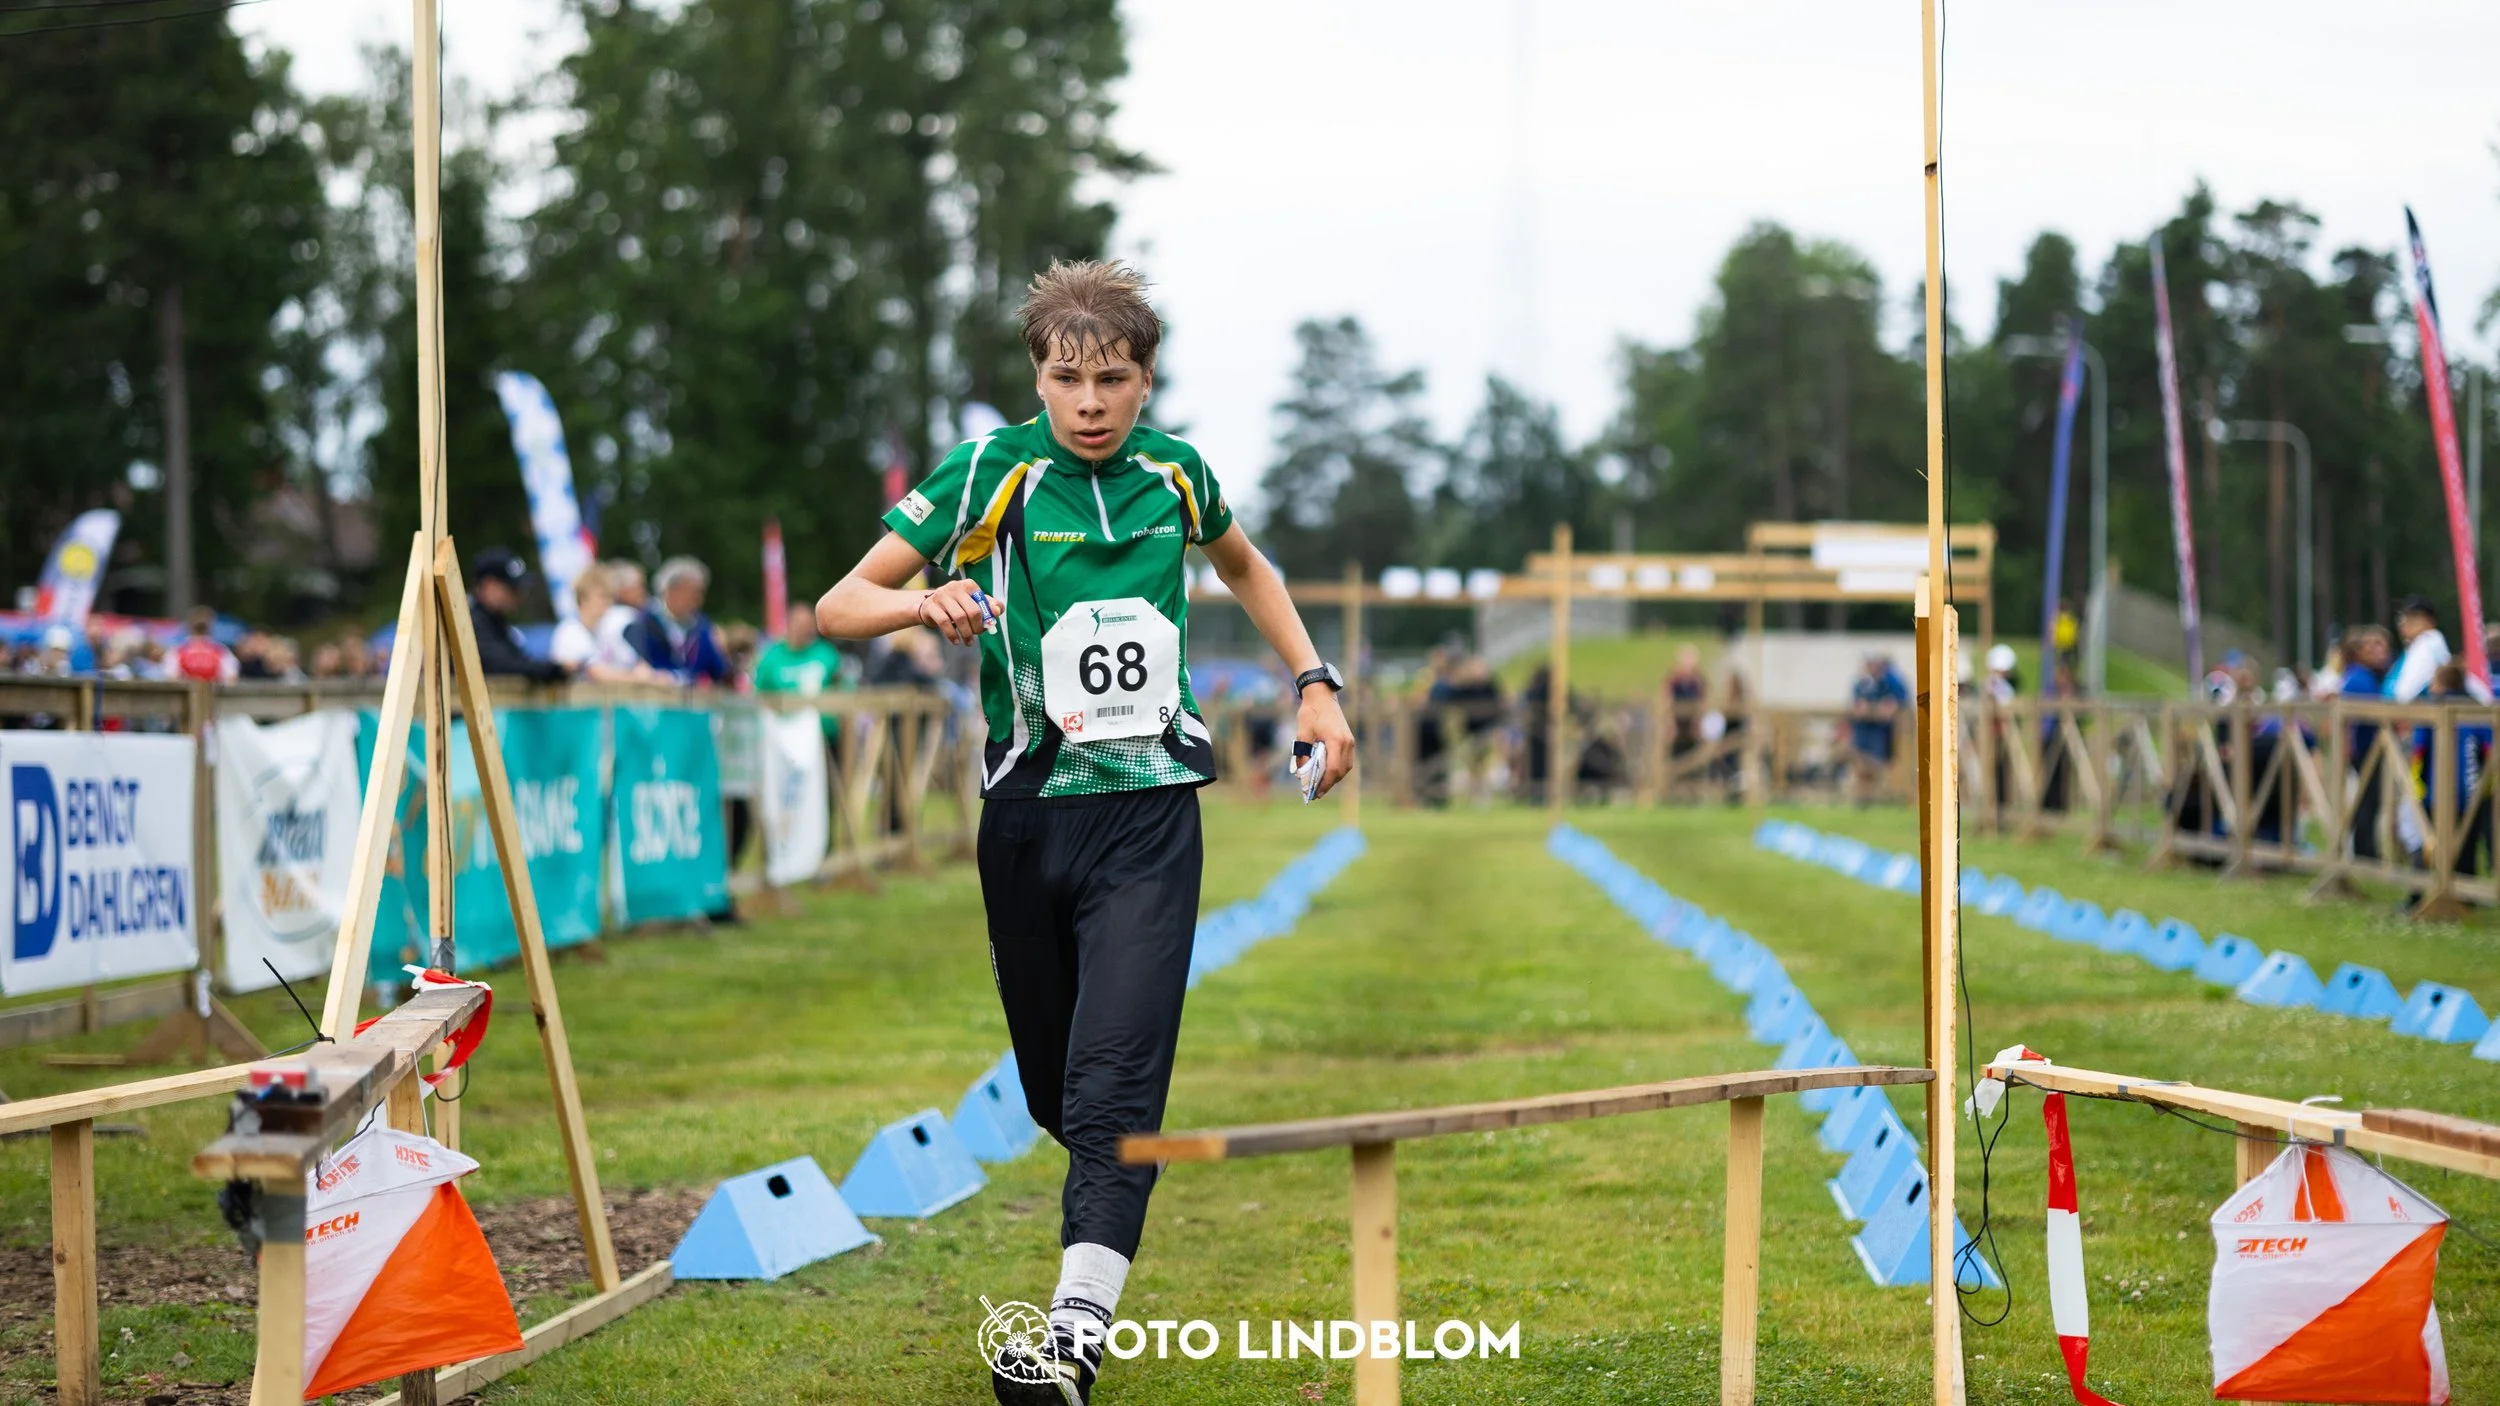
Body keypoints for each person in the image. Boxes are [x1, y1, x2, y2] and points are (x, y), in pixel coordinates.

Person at [814, 259, 1353, 1406]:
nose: (1092, 400)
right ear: (1039, 381)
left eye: (1113, 377)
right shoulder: (988, 474)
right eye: (1069, 379)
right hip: (1024, 819)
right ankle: (1088, 1227)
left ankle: (1068, 1342)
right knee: (1061, 1094)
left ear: (1147, 382)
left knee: (1114, 1092)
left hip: (1151, 812)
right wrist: (924, 601)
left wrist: (1314, 681)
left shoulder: (1178, 473)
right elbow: (838, 603)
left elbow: (1247, 566)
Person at [752, 601, 852, 742]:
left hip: (824, 734)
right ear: (789, 624)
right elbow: (759, 693)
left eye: (808, 624)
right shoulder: (771, 656)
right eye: (799, 624)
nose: (804, 629)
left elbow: (844, 685)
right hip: (785, 732)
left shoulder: (826, 653)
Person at [467, 548, 567, 682]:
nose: (520, 595)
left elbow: (518, 659)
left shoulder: (495, 622)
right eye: (512, 589)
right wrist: (556, 670)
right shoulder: (469, 621)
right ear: (489, 586)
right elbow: (503, 665)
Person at [628, 556, 732, 684]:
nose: (697, 599)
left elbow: (719, 670)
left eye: (700, 593)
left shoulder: (702, 627)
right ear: (669, 591)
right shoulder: (644, 622)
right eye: (691, 592)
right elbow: (637, 665)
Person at [2341, 626, 2393, 860]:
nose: (2378, 650)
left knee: (2370, 801)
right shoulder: (2358, 677)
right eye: (2371, 645)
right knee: (2366, 801)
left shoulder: (2367, 676)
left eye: (2381, 645)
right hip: (2365, 749)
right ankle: (2364, 851)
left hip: (2369, 747)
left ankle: (2366, 849)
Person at [1846, 652, 1909, 801]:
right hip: (1865, 732)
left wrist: (1884, 708)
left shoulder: (1890, 681)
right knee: (1862, 764)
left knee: (1878, 765)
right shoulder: (1863, 683)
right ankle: (1863, 796)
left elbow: (1897, 703)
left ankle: (1878, 796)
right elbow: (1857, 706)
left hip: (1882, 734)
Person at [172, 608, 238, 683]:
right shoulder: (221, 651)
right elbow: (231, 679)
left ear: (189, 625)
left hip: (187, 693)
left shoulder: (178, 651)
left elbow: (171, 678)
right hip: (213, 693)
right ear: (210, 626)